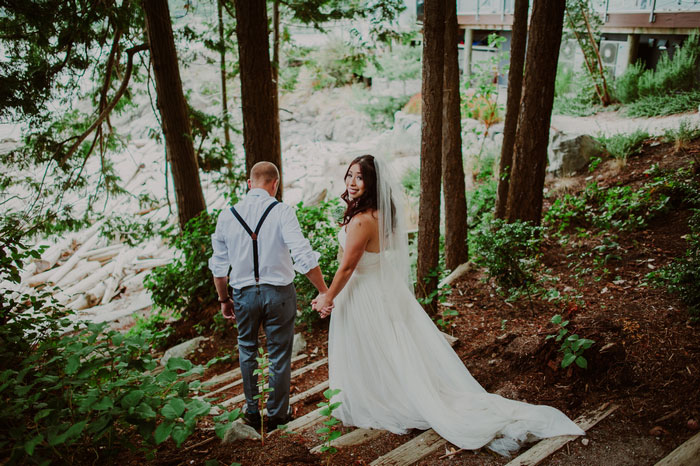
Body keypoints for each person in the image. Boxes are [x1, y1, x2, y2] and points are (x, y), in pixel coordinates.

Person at [312, 155, 585, 455]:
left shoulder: (362, 220)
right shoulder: (378, 214)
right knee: (388, 345)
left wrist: (328, 296)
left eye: (359, 177)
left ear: (372, 182)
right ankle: (383, 390)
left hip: (364, 290)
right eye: (349, 175)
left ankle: (382, 396)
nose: (351, 182)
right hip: (379, 284)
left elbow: (348, 267)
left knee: (374, 344)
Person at [209, 161, 329, 432]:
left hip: (243, 295)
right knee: (278, 354)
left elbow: (219, 267)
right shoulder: (283, 211)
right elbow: (303, 255)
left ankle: (253, 413)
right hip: (280, 295)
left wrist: (224, 299)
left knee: (247, 350)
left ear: (249, 183)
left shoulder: (227, 216)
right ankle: (277, 415)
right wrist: (323, 290)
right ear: (275, 184)